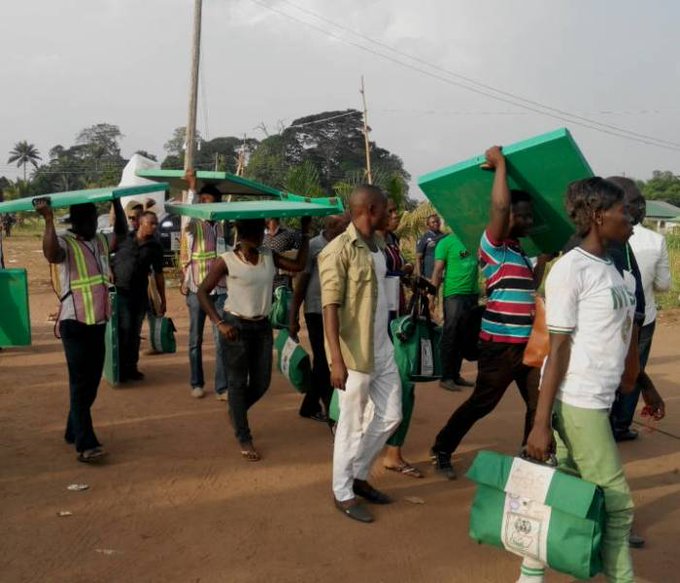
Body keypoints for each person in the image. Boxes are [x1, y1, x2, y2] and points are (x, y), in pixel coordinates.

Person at [525, 177, 665, 583]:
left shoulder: (614, 268)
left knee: (565, 487)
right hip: (578, 397)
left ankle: (529, 572)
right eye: (625, 211)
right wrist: (539, 423)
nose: (633, 219)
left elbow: (622, 335)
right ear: (599, 215)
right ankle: (623, 578)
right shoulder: (572, 268)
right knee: (617, 502)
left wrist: (643, 382)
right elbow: (559, 349)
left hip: (599, 398)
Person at [431, 146, 550, 479]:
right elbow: (499, 204)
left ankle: (530, 456)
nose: (527, 221)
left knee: (538, 405)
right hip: (499, 346)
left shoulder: (517, 252)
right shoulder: (493, 247)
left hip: (527, 347)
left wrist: (541, 261)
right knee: (482, 404)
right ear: (505, 216)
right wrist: (501, 166)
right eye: (521, 215)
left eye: (530, 216)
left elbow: (530, 288)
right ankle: (442, 448)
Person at [319, 185, 403, 523]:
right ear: (371, 209)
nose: (391, 212)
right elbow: (330, 307)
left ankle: (356, 473)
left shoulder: (378, 245)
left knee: (391, 414)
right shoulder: (338, 250)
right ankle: (342, 492)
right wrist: (336, 360)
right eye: (386, 208)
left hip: (381, 346)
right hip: (354, 353)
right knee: (351, 424)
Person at [198, 216, 312, 462]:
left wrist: (304, 232)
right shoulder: (226, 261)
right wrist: (220, 323)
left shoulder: (268, 256)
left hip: (261, 326)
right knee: (238, 383)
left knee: (262, 382)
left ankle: (236, 412)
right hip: (235, 326)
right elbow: (202, 292)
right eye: (258, 231)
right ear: (246, 234)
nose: (263, 235)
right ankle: (244, 436)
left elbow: (299, 265)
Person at [35, 197, 127, 463]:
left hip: (97, 322)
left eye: (92, 219)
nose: (90, 224)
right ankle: (86, 444)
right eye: (86, 220)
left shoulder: (98, 241)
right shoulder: (66, 241)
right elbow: (51, 254)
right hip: (74, 322)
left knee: (91, 382)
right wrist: (48, 220)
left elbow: (121, 234)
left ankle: (71, 429)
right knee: (80, 383)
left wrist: (117, 202)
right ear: (76, 221)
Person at [608, 177, 671, 442]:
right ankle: (621, 425)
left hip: (614, 319)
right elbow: (664, 284)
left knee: (612, 367)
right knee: (634, 367)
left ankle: (601, 423)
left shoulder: (601, 237)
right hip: (642, 319)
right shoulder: (655, 240)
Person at [376, 199, 422, 478]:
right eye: (389, 211)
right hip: (376, 325)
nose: (395, 216)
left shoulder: (390, 240)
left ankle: (393, 452)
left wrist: (405, 274)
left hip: (397, 322)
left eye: (396, 211)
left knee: (406, 385)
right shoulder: (366, 244)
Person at [289, 214, 349, 423]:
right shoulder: (314, 246)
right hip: (316, 310)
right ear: (332, 225)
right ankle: (331, 411)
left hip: (339, 311)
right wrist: (293, 315)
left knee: (325, 362)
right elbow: (301, 282)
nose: (346, 226)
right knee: (324, 361)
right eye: (344, 223)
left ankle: (309, 405)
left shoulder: (347, 244)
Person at [182, 170, 229, 400]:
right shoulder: (194, 227)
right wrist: (191, 188)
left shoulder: (220, 226)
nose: (204, 204)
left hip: (219, 291)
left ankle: (222, 387)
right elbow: (186, 218)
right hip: (196, 290)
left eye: (208, 200)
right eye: (202, 200)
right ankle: (196, 382)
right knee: (195, 339)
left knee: (221, 339)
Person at [111, 211, 166, 382]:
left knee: (134, 332)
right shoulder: (123, 239)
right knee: (123, 329)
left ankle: (131, 367)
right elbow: (104, 253)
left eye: (156, 223)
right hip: (120, 292)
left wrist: (162, 299)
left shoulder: (155, 247)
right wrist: (108, 270)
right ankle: (118, 368)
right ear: (140, 224)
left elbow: (158, 274)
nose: (155, 226)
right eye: (151, 223)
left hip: (139, 294)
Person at [430, 232, 479, 391]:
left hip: (472, 295)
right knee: (451, 334)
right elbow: (437, 271)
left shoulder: (476, 240)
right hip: (454, 295)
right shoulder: (446, 243)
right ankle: (446, 377)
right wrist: (432, 297)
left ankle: (455, 375)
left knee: (464, 336)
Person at [263, 217, 302, 291]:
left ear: (277, 221)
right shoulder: (261, 237)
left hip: (283, 279)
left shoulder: (288, 235)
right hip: (264, 279)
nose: (267, 221)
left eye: (270, 219)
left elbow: (297, 253)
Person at [415, 213, 444, 279]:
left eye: (437, 221)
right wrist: (419, 276)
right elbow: (418, 258)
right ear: (428, 225)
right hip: (428, 276)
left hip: (442, 275)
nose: (436, 223)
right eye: (433, 222)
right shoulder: (424, 238)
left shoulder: (444, 237)